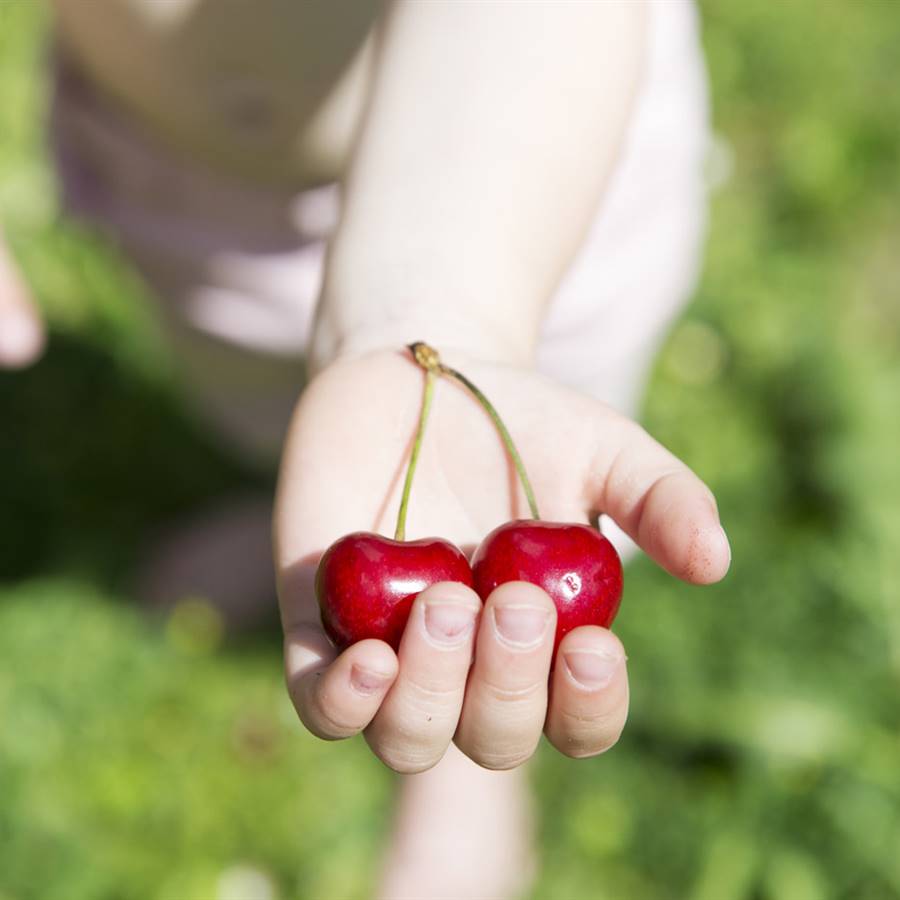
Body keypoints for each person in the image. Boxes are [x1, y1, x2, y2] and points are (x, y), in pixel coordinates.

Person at [0, 2, 730, 897]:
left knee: (501, 490)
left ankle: (466, 772)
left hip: (517, 195)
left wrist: (445, 314)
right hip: (187, 192)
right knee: (303, 424)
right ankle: (286, 520)